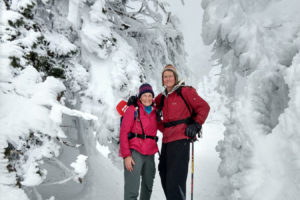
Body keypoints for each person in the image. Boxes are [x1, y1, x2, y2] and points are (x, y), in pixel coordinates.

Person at [155, 64, 210, 200]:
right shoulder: (161, 98)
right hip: (167, 141)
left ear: (175, 77)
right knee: (164, 174)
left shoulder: (185, 92)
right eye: (165, 77)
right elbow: (146, 103)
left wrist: (196, 125)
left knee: (175, 179)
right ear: (162, 80)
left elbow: (204, 107)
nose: (167, 79)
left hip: (181, 140)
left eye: (170, 76)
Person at [119, 83, 159, 200]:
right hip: (135, 153)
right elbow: (123, 133)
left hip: (150, 154)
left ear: (153, 97)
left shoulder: (155, 112)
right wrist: (126, 155)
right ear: (140, 97)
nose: (147, 98)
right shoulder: (132, 110)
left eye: (150, 95)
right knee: (132, 189)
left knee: (148, 187)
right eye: (144, 95)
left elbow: (164, 127)